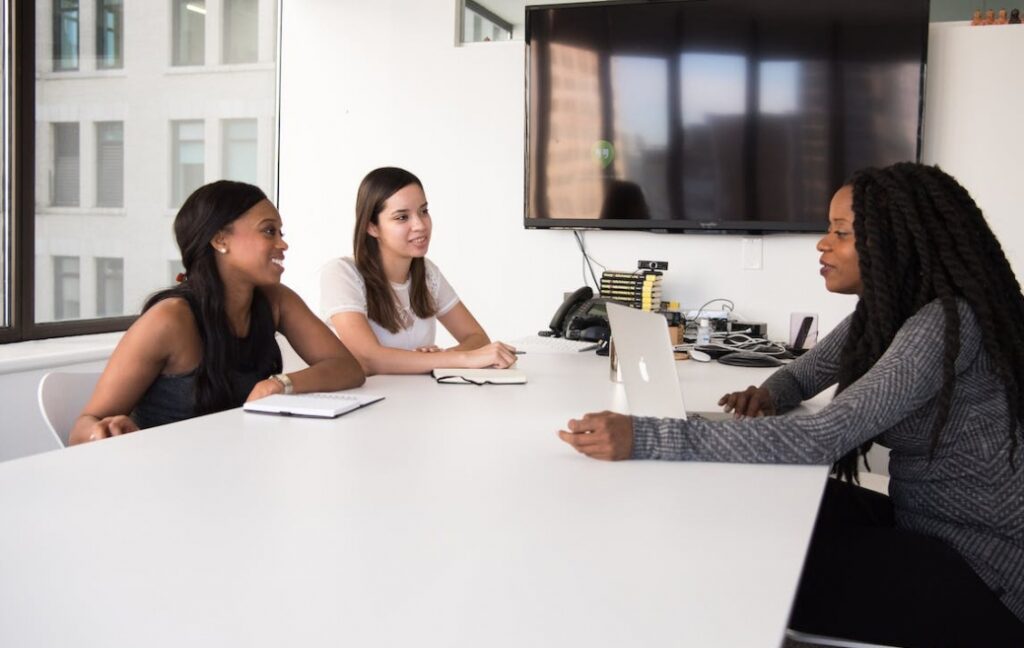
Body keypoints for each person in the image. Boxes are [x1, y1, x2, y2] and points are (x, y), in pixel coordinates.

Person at [558, 163, 1024, 646]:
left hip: (984, 571)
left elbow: (824, 437)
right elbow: (806, 373)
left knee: (741, 561)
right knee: (756, 502)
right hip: (924, 523)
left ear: (897, 241)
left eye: (840, 232)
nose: (822, 244)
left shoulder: (944, 323)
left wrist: (647, 435)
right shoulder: (889, 315)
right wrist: (770, 395)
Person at [69, 181, 365, 444]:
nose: (282, 243)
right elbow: (81, 429)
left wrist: (279, 384)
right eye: (268, 231)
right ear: (220, 240)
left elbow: (347, 368)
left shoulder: (276, 301)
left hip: (236, 468)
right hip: (168, 480)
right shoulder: (169, 320)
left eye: (280, 232)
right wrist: (103, 432)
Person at [319, 167, 516, 375]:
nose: (420, 225)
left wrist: (435, 360)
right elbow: (369, 359)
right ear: (372, 227)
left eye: (423, 211)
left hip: (419, 399)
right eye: (402, 217)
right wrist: (450, 359)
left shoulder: (427, 273)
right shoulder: (342, 273)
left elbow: (476, 337)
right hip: (370, 402)